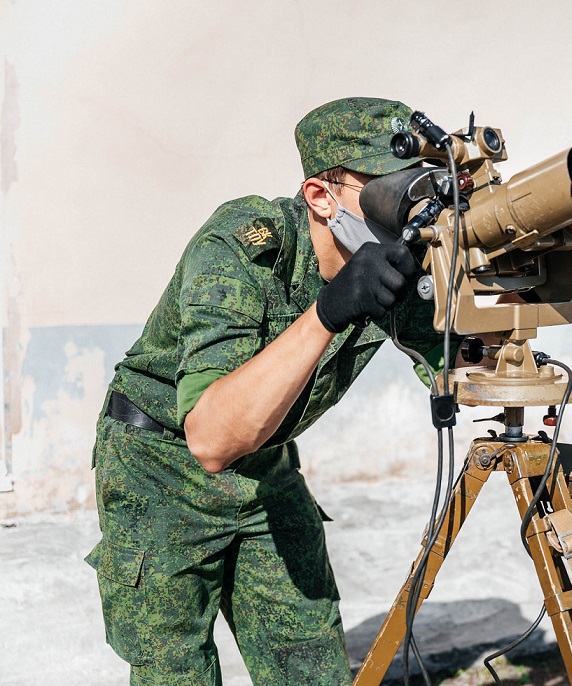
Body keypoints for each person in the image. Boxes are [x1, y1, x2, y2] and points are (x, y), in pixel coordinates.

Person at [86, 97, 451, 684]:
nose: (409, 202)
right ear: (320, 197)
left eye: (419, 184)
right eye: (388, 188)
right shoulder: (243, 243)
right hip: (160, 465)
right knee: (174, 670)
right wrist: (328, 312)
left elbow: (461, 368)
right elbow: (210, 438)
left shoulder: (397, 256)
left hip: (267, 467)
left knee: (310, 664)